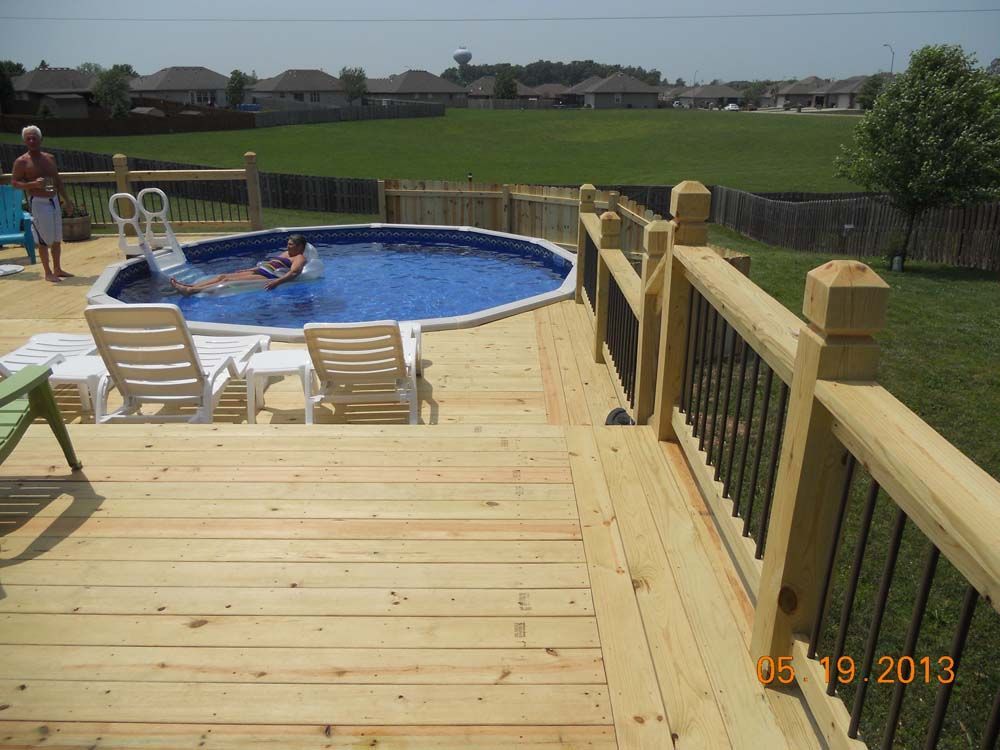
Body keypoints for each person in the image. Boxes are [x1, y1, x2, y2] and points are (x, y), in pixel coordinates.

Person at [10, 125, 75, 283]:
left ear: (41, 139)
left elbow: (57, 180)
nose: (32, 141)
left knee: (57, 237)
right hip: (39, 202)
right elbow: (14, 183)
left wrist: (67, 200)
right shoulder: (22, 162)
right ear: (25, 141)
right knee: (44, 239)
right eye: (28, 138)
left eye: (34, 137)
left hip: (54, 200)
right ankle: (47, 272)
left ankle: (58, 269)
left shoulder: (49, 158)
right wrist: (32, 184)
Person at [170, 234, 308, 295]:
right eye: (288, 244)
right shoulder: (286, 253)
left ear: (300, 246)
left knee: (227, 280)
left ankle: (191, 291)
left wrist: (276, 282)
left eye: (291, 245)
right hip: (260, 270)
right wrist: (250, 269)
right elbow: (271, 263)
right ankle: (191, 286)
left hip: (267, 276)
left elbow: (294, 273)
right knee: (223, 275)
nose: (288, 247)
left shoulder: (299, 257)